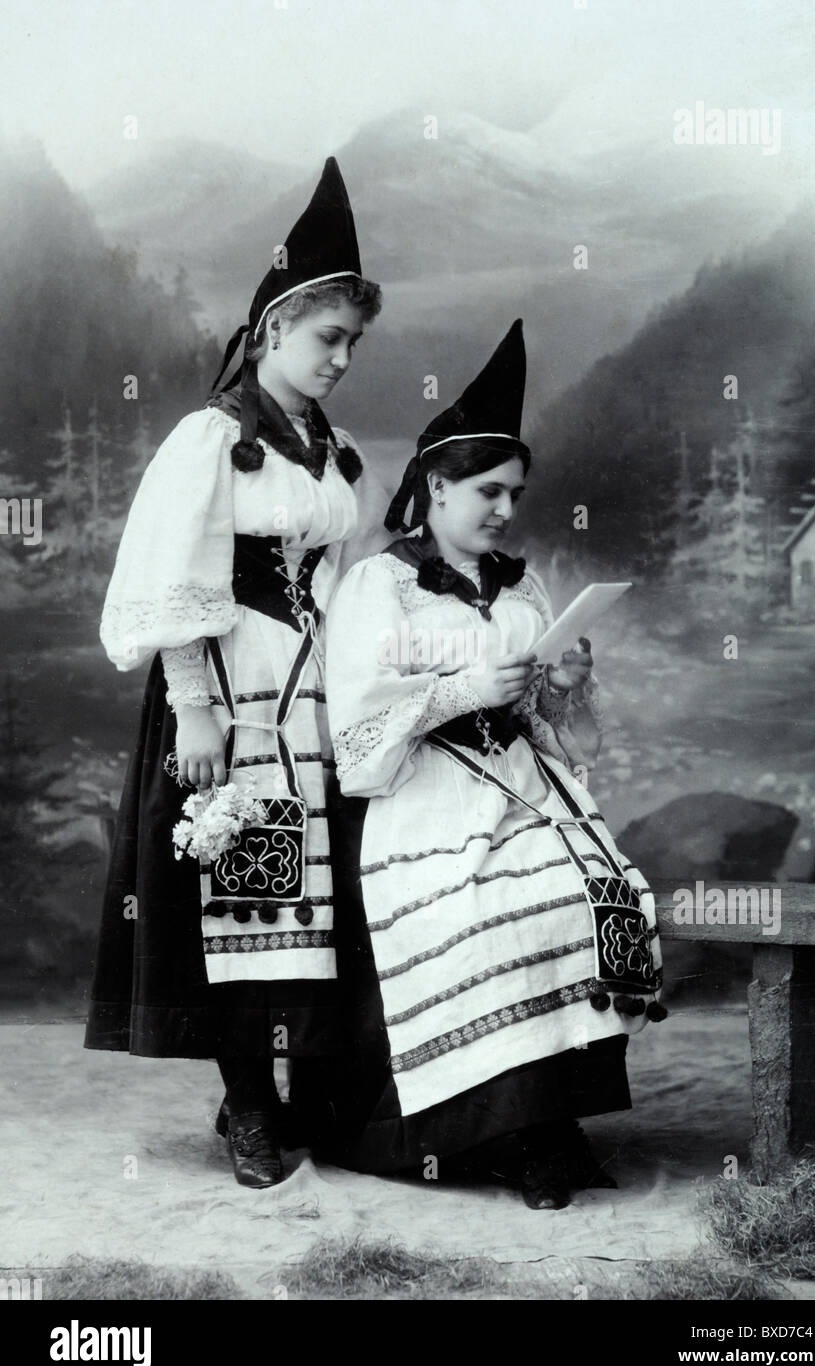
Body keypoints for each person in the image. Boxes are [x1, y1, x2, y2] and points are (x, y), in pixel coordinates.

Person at [85, 157, 385, 1189]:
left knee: (311, 899)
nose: (341, 358)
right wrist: (196, 712)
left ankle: (288, 1092)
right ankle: (248, 1105)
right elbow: (173, 579)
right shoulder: (211, 441)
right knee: (239, 892)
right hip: (222, 695)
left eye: (352, 341)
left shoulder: (334, 454)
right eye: (326, 338)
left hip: (310, 694)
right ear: (271, 333)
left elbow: (341, 587)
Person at [317, 320, 665, 1209]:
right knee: (507, 905)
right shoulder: (377, 585)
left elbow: (560, 738)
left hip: (521, 786)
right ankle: (509, 1133)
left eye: (513, 495)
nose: (505, 512)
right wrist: (467, 684)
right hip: (421, 793)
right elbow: (355, 728)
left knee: (599, 891)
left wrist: (566, 687)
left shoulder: (523, 586)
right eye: (487, 492)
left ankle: (546, 1122)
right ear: (434, 486)